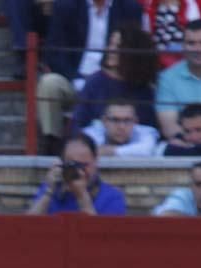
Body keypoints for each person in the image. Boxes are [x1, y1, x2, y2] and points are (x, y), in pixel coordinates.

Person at [36, 0, 144, 153]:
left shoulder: (130, 7)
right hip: (73, 79)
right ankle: (52, 142)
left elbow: (136, 51)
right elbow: (54, 51)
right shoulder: (66, 5)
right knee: (49, 84)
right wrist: (76, 80)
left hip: (114, 80)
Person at [71, 27, 160, 133]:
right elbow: (78, 125)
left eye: (118, 46)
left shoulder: (145, 89)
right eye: (110, 44)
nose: (111, 50)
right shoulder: (94, 82)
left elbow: (151, 131)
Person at [27, 133, 126, 215]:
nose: (79, 171)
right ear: (62, 163)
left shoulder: (112, 197)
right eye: (73, 165)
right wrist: (48, 193)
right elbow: (26, 229)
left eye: (83, 165)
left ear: (96, 162)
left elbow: (99, 236)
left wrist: (82, 195)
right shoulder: (50, 189)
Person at [83, 100, 161, 157]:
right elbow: (86, 150)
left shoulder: (146, 132)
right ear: (104, 121)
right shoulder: (90, 133)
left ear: (135, 121)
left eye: (127, 120)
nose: (121, 127)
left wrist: (110, 151)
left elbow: (147, 150)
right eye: (115, 120)